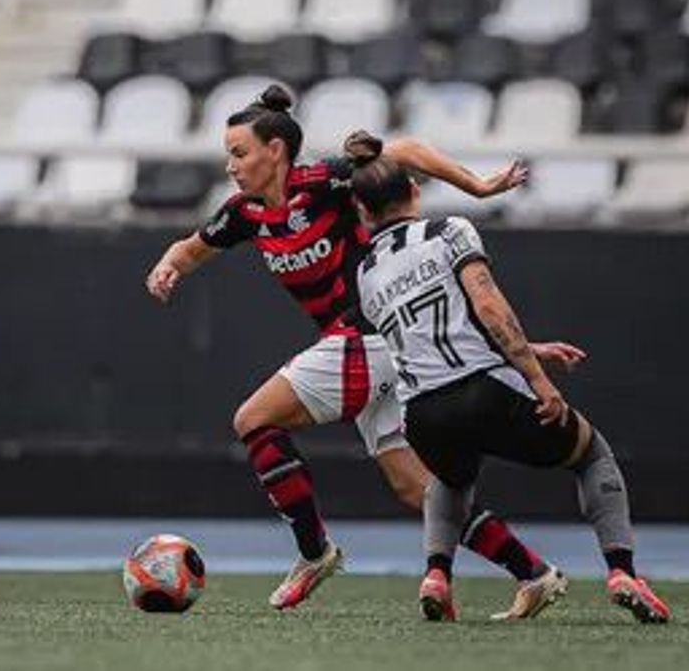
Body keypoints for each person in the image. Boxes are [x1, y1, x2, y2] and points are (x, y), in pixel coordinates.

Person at [145, 85, 577, 611]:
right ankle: (533, 573)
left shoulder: (322, 181)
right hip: (372, 349)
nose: (230, 166)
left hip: (367, 335)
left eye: (239, 153)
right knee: (415, 488)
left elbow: (406, 151)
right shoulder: (243, 213)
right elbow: (190, 249)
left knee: (253, 419)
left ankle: (314, 552)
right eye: (228, 155)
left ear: (275, 150)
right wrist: (167, 266)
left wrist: (479, 187)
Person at [349, 134, 671, 623]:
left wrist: (531, 349)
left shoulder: (366, 271)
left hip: (423, 413)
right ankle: (622, 571)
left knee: (449, 481)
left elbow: (427, 335)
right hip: (484, 390)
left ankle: (436, 575)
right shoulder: (448, 231)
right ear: (414, 190)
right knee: (591, 454)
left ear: (362, 210)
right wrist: (539, 379)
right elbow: (488, 308)